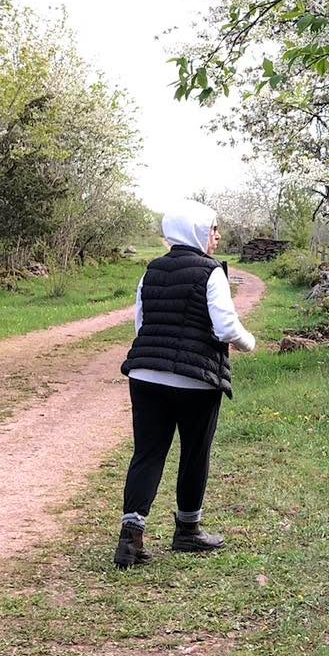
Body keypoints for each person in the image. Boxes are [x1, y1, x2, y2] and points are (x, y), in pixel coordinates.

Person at [113, 200, 257, 568]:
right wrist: (250, 342)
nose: (218, 235)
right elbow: (225, 328)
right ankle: (187, 531)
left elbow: (141, 324)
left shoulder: (151, 271)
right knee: (194, 451)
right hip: (195, 381)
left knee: (147, 452)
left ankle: (130, 539)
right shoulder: (211, 272)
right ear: (196, 231)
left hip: (145, 375)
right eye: (212, 228)